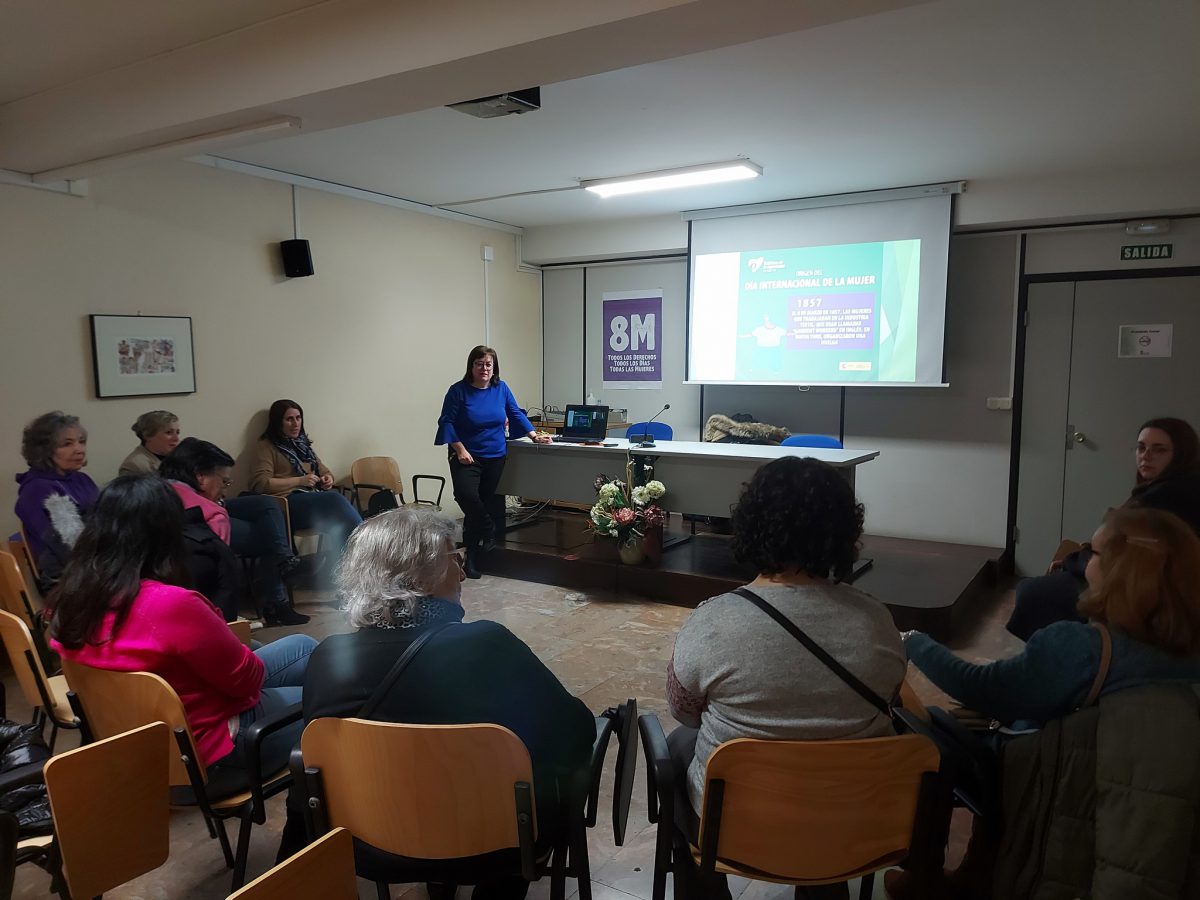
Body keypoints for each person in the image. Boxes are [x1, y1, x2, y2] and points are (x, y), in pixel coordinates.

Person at [894, 507, 1200, 898]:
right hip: (1119, 784)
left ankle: (924, 881)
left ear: (1125, 570)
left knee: (930, 728)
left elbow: (982, 687)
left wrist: (914, 641)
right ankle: (977, 870)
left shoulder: (1082, 649)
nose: (1084, 560)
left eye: (1093, 552)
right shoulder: (1183, 646)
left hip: (1064, 776)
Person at [299, 507, 595, 898]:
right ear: (416, 575)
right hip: (495, 848)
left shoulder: (328, 659)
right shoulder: (486, 646)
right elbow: (575, 732)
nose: (462, 572)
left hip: (372, 847)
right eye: (455, 558)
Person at [666, 456, 906, 900]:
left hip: (737, 823)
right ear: (843, 532)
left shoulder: (712, 620)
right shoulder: (877, 621)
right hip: (852, 820)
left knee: (676, 748)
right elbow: (890, 695)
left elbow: (683, 712)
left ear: (751, 524)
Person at [49, 475, 317, 798]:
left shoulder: (71, 601)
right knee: (330, 697)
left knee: (302, 646)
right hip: (216, 757)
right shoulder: (171, 605)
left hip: (142, 757)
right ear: (167, 534)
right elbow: (248, 681)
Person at [1007, 416, 1200, 640]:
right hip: (1128, 576)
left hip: (1139, 589)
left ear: (1181, 454)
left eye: (1159, 450)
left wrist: (1073, 562)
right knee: (1036, 588)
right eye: (1141, 447)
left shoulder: (1169, 496)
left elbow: (1121, 554)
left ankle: (1064, 659)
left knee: (1033, 594)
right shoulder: (1170, 486)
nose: (1145, 456)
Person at [161, 438, 308, 626]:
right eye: (224, 482)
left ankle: (283, 565)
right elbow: (217, 586)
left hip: (149, 613)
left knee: (267, 505)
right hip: (197, 623)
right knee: (301, 646)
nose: (224, 491)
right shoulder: (212, 517)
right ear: (201, 477)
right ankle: (279, 594)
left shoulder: (150, 495)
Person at [434, 346, 550, 578]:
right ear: (471, 366)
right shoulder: (458, 391)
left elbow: (515, 413)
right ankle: (488, 528)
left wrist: (534, 435)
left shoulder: (501, 388)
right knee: (467, 496)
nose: (484, 368)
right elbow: (446, 422)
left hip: (495, 455)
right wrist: (460, 450)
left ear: (494, 367)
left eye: (488, 364)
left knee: (482, 505)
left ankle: (472, 559)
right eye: (479, 364)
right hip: (466, 456)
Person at [249, 399, 362, 577]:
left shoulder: (302, 445)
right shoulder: (266, 446)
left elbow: (324, 470)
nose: (295, 424)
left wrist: (327, 479)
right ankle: (367, 543)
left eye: (298, 418)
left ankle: (347, 572)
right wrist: (299, 481)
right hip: (286, 503)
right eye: (289, 419)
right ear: (278, 422)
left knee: (339, 523)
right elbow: (260, 483)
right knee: (334, 499)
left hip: (309, 499)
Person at [14, 411, 99, 587]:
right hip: (67, 579)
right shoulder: (38, 489)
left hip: (96, 565)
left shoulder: (82, 479)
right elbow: (67, 546)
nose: (79, 449)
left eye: (81, 442)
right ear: (44, 450)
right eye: (67, 444)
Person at [118, 410, 181, 475]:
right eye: (168, 432)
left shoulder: (179, 458)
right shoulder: (133, 466)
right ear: (147, 435)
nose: (176, 439)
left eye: (177, 432)